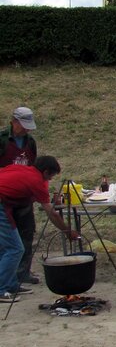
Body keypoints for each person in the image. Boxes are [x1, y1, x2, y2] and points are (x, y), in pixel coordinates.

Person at [0, 156, 79, 303]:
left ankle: (10, 285)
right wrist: (68, 232)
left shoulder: (24, 170)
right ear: (46, 171)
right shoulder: (36, 181)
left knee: (6, 248)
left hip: (5, 203)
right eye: (51, 175)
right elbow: (52, 213)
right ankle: (1, 289)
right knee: (15, 249)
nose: (50, 179)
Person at [0, 106, 40, 285]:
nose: (25, 129)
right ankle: (6, 277)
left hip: (24, 197)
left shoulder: (30, 142)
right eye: (23, 125)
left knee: (27, 233)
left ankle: (23, 273)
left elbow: (33, 166)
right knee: (7, 239)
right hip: (5, 196)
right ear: (14, 122)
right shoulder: (2, 140)